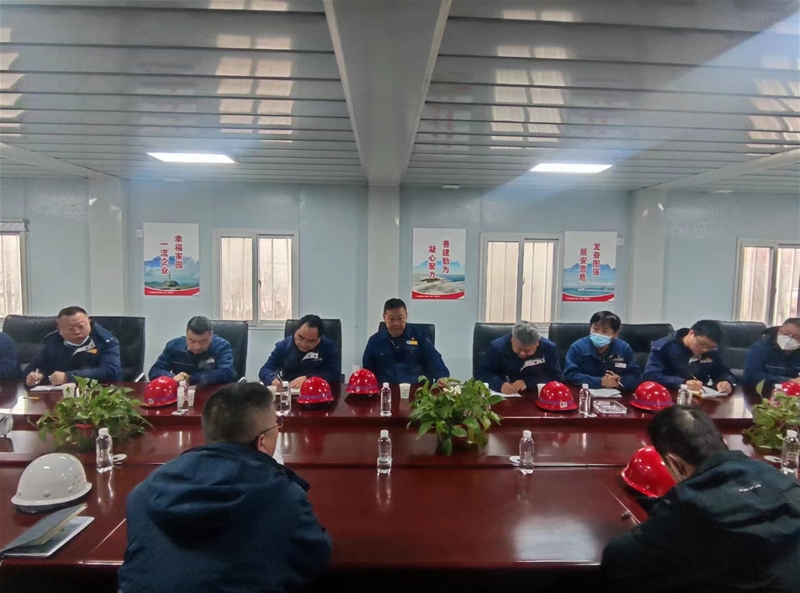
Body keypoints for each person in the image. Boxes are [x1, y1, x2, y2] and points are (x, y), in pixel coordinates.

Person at [118, 382, 331, 592]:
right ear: (262, 441)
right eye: (277, 423)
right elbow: (314, 557)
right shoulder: (283, 497)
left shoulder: (143, 492)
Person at [602, 405, 800, 592]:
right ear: (724, 442)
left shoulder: (689, 507)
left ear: (674, 464)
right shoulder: (780, 478)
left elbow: (617, 558)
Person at [24, 306, 121, 386]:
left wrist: (68, 377)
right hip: (59, 395)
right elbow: (34, 367)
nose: (77, 332)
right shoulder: (52, 342)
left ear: (89, 322)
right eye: (70, 329)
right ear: (60, 330)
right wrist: (34, 376)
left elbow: (110, 371)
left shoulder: (105, 341)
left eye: (81, 326)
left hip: (99, 392)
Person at [362, 298, 449, 384]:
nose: (396, 323)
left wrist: (441, 377)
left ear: (406, 316)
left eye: (400, 319)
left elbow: (434, 360)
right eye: (391, 319)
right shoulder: (375, 341)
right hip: (387, 390)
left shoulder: (420, 337)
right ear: (384, 317)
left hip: (416, 390)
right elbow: (367, 371)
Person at [644, 320, 735, 395]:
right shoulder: (665, 347)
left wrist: (726, 381)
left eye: (710, 347)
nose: (705, 350)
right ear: (691, 333)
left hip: (702, 398)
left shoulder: (713, 350)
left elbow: (723, 371)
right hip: (669, 396)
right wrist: (682, 382)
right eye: (702, 344)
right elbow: (650, 375)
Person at [476, 321, 562, 395]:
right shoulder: (497, 347)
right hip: (504, 396)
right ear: (512, 340)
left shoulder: (548, 348)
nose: (522, 353)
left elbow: (556, 377)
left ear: (537, 343)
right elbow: (482, 372)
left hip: (534, 395)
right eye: (519, 349)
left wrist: (528, 382)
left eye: (527, 350)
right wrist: (500, 384)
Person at [564, 311, 642, 390]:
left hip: (616, 393)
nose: (599, 333)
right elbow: (570, 375)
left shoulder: (624, 349)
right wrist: (599, 381)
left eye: (604, 331)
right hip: (585, 393)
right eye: (595, 329)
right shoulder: (577, 347)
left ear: (615, 334)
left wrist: (619, 381)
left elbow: (635, 376)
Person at [259, 314, 341, 388]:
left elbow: (334, 374)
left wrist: (309, 378)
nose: (304, 343)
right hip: (290, 390)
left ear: (319, 338)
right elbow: (265, 369)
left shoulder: (328, 346)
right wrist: (272, 379)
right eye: (300, 337)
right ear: (295, 331)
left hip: (317, 391)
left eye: (311, 341)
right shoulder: (283, 346)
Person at [149, 316, 236, 385]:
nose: (197, 347)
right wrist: (172, 377)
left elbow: (227, 373)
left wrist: (191, 378)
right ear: (186, 335)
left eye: (203, 341)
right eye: (192, 341)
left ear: (211, 335)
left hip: (212, 393)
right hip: (181, 394)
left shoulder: (222, 346)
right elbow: (154, 371)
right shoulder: (174, 346)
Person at [744, 318, 800, 386]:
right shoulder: (760, 348)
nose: (789, 338)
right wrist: (789, 381)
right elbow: (751, 376)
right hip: (763, 390)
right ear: (779, 331)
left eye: (796, 337)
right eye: (786, 333)